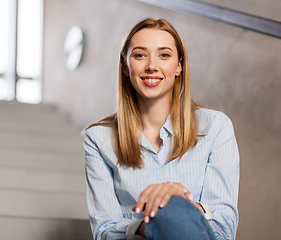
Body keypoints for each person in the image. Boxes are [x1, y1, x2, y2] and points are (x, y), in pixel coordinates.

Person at [84, 18, 239, 240]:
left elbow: (225, 229)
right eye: (140, 55)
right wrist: (152, 222)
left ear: (179, 66)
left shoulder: (216, 127)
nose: (152, 66)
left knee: (176, 209)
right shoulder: (98, 138)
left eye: (164, 55)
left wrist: (182, 206)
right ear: (125, 67)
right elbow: (105, 232)